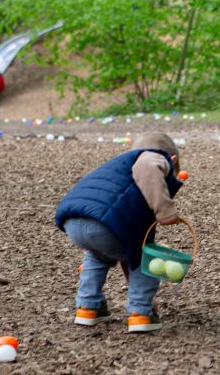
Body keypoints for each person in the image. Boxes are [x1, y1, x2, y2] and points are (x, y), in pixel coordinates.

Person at [55, 133, 184, 333]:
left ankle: (88, 307)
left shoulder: (120, 169)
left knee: (98, 256)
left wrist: (133, 286)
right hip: (107, 221)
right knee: (145, 258)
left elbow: (128, 256)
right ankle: (142, 313)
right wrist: (165, 211)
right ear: (172, 160)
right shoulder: (153, 157)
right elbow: (148, 168)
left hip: (75, 220)